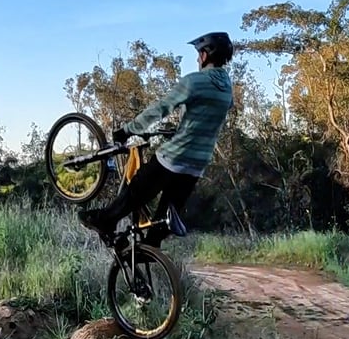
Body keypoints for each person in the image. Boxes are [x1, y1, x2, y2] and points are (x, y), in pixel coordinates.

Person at [78, 31, 234, 245]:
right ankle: (147, 254)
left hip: (175, 157)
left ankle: (106, 220)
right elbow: (207, 117)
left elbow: (160, 108)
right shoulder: (228, 89)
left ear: (206, 55)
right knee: (159, 226)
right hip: (197, 166)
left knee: (135, 191)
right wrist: (182, 128)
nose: (198, 59)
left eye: (199, 54)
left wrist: (128, 130)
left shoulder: (194, 81)